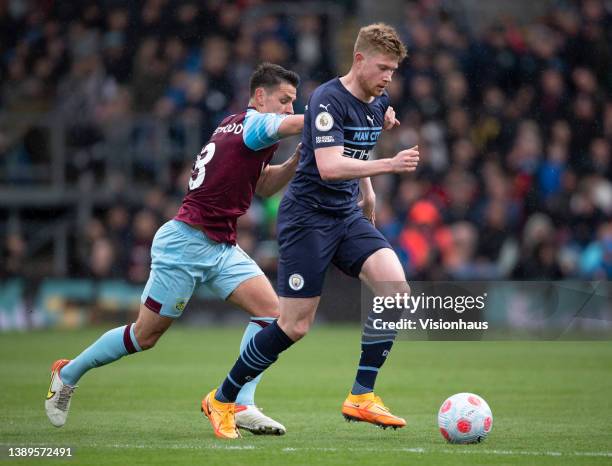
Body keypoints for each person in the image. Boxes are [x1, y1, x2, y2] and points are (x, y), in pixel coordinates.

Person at [45, 63, 305, 436]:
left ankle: (241, 402)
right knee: (143, 336)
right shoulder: (255, 123)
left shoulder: (240, 128)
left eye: (294, 103)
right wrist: (333, 111)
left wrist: (295, 161)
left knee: (271, 314)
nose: (289, 110)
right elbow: (297, 125)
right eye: (284, 101)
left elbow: (262, 186)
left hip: (220, 245)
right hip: (185, 244)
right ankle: (66, 373)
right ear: (260, 97)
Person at [204, 23, 419, 439]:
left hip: (346, 215)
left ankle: (361, 397)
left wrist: (369, 193)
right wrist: (387, 167)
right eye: (383, 67)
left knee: (396, 290)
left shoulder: (379, 100)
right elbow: (331, 166)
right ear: (359, 60)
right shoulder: (326, 99)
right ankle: (223, 396)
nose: (389, 77)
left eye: (393, 69)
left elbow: (361, 143)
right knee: (295, 325)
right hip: (308, 218)